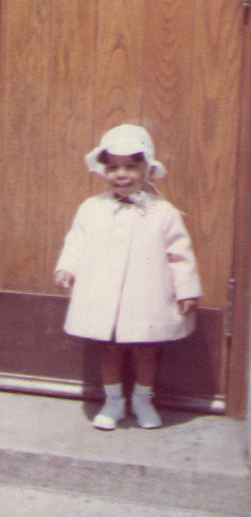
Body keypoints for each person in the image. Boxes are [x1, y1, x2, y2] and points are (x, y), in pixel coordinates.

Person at [54, 123, 202, 430]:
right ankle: (114, 402)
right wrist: (67, 266)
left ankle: (143, 400)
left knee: (147, 350)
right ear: (103, 169)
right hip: (105, 297)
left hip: (146, 297)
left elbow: (180, 253)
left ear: (147, 168)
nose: (121, 174)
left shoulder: (163, 212)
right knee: (110, 350)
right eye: (113, 167)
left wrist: (187, 290)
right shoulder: (92, 208)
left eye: (131, 166)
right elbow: (76, 240)